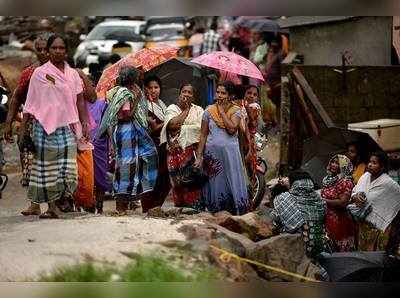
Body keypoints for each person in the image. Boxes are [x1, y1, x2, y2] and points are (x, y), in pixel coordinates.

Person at [21, 34, 90, 219]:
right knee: (48, 169)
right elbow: (30, 103)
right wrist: (22, 130)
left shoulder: (73, 74)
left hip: (67, 126)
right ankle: (51, 207)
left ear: (66, 51)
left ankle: (60, 201)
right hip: (44, 127)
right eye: (54, 48)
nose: (58, 51)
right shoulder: (40, 73)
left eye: (61, 48)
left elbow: (80, 101)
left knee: (69, 169)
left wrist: (85, 123)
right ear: (49, 50)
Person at [98, 66, 158, 215]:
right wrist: (137, 99)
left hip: (129, 133)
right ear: (132, 79)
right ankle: (121, 206)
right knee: (126, 167)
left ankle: (126, 203)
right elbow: (124, 116)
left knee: (130, 166)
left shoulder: (128, 91)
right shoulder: (125, 93)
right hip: (126, 132)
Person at [195, 81, 249, 215]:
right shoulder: (208, 111)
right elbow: (203, 135)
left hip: (230, 156)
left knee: (231, 180)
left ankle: (234, 211)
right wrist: (200, 156)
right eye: (218, 92)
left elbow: (231, 129)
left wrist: (221, 112)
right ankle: (215, 211)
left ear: (230, 95)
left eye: (223, 93)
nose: (219, 95)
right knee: (215, 183)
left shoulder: (236, 111)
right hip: (212, 157)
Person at [160, 83, 204, 210]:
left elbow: (200, 129)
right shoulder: (172, 109)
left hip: (192, 152)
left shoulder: (198, 110)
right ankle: (180, 208)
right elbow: (172, 125)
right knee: (177, 183)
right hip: (174, 152)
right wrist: (185, 111)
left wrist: (183, 128)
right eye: (184, 91)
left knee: (192, 181)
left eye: (189, 92)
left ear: (193, 97)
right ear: (179, 94)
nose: (186, 94)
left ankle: (194, 208)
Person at [348, 151, 400, 255]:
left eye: (374, 163)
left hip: (378, 228)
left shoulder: (388, 183)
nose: (370, 164)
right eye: (370, 162)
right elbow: (354, 191)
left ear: (382, 167)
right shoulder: (365, 176)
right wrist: (355, 196)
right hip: (363, 225)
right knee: (362, 255)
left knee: (374, 258)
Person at [271, 170, 327, 258]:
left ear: (295, 184)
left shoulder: (283, 198)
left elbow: (274, 219)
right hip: (318, 246)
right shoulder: (319, 198)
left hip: (298, 247)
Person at [143, 75, 170, 211]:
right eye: (150, 88)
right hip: (151, 145)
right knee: (153, 177)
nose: (153, 90)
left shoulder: (162, 104)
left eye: (156, 87)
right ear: (145, 89)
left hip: (164, 145)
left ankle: (157, 206)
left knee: (165, 179)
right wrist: (169, 122)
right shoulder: (145, 105)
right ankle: (148, 208)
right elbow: (151, 128)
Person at [321, 154, 356, 252]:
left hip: (338, 220)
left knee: (336, 249)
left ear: (343, 167)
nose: (333, 165)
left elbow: (343, 202)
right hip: (326, 218)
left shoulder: (345, 182)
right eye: (332, 162)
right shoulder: (327, 180)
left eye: (337, 163)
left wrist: (323, 201)